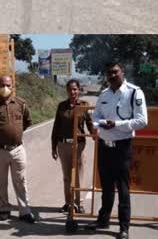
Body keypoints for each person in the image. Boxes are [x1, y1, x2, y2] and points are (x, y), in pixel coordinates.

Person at [88, 62, 148, 239]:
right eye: (109, 73)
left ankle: (124, 227)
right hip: (104, 146)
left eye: (115, 72)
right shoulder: (104, 94)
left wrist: (117, 124)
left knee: (123, 189)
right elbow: (95, 116)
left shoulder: (134, 92)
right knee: (106, 187)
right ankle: (103, 219)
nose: (112, 75)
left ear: (122, 72)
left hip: (122, 147)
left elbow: (142, 121)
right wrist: (98, 125)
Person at [0, 75, 36, 223]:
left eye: (8, 85)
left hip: (18, 150)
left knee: (20, 181)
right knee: (1, 181)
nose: (5, 88)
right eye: (2, 85)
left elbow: (27, 121)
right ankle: (4, 208)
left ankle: (24, 211)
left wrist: (15, 134)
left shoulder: (21, 104)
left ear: (13, 86)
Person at [51, 79, 95, 214]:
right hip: (63, 145)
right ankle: (68, 203)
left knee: (78, 177)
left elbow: (90, 123)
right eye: (70, 89)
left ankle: (79, 203)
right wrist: (53, 147)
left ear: (79, 90)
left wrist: (94, 134)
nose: (72, 92)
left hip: (78, 146)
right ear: (67, 91)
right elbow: (56, 127)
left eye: (75, 89)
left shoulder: (84, 105)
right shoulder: (61, 106)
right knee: (66, 177)